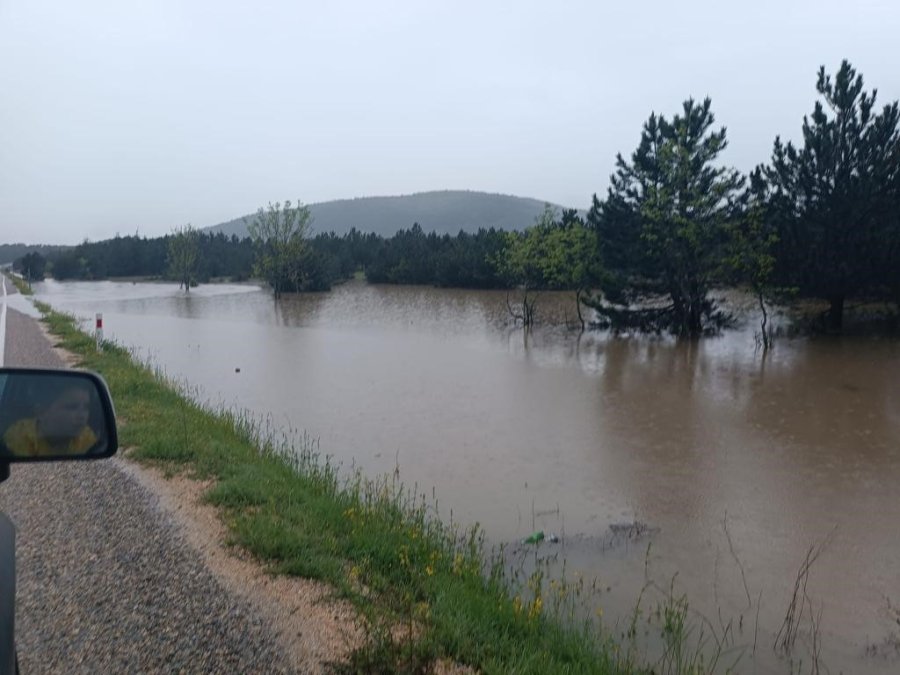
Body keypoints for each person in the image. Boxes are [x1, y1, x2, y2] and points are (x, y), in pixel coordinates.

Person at [2, 381, 98, 457]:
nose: (82, 416)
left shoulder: (86, 435)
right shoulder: (20, 435)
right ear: (41, 412)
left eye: (86, 407)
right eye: (71, 407)